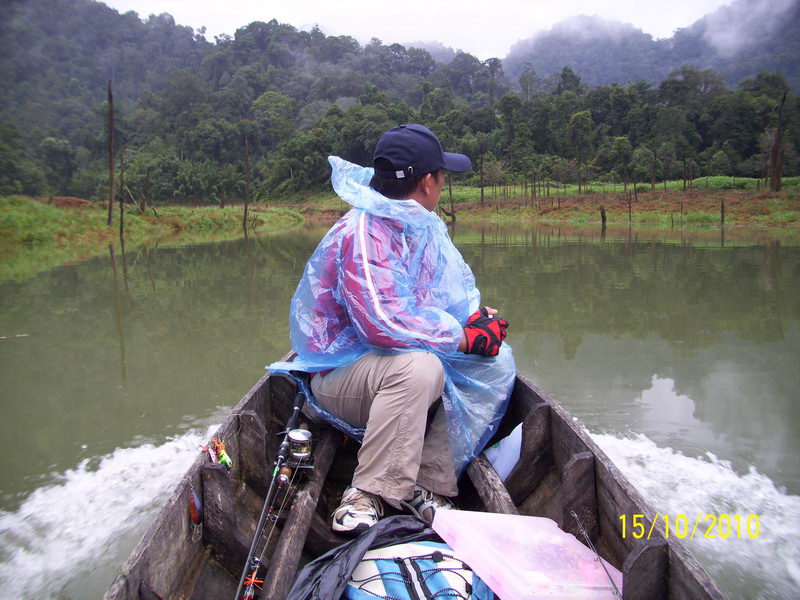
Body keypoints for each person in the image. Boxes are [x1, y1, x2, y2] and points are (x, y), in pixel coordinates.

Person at [269, 124, 515, 535]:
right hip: (340, 375)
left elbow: (444, 295)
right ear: (427, 181)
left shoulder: (417, 225)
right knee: (421, 369)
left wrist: (476, 321)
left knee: (496, 360)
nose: (443, 184)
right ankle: (369, 492)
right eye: (442, 175)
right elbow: (384, 325)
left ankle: (428, 482)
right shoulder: (365, 233)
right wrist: (462, 336)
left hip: (387, 364)